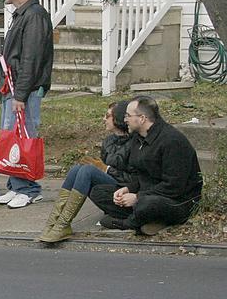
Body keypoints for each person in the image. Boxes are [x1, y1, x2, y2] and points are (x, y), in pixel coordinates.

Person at [88, 96, 203, 235]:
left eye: (128, 116)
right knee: (98, 192)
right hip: (147, 193)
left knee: (147, 204)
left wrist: (137, 197)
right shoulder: (138, 138)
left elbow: (174, 186)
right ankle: (150, 221)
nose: (124, 120)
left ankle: (129, 223)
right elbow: (140, 175)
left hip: (176, 201)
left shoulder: (172, 141)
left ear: (142, 118)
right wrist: (127, 189)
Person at [0, 0, 54, 209]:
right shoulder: (22, 13)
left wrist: (20, 93)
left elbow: (31, 57)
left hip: (24, 89)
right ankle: (16, 184)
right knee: (11, 134)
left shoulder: (35, 16)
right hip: (15, 86)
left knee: (25, 135)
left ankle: (28, 189)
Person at [38, 101, 132, 243]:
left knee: (88, 170)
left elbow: (134, 179)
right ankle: (54, 221)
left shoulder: (134, 143)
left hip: (126, 190)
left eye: (107, 116)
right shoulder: (108, 141)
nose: (103, 119)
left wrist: (106, 169)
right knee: (77, 169)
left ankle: (63, 224)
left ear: (118, 118)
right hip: (111, 185)